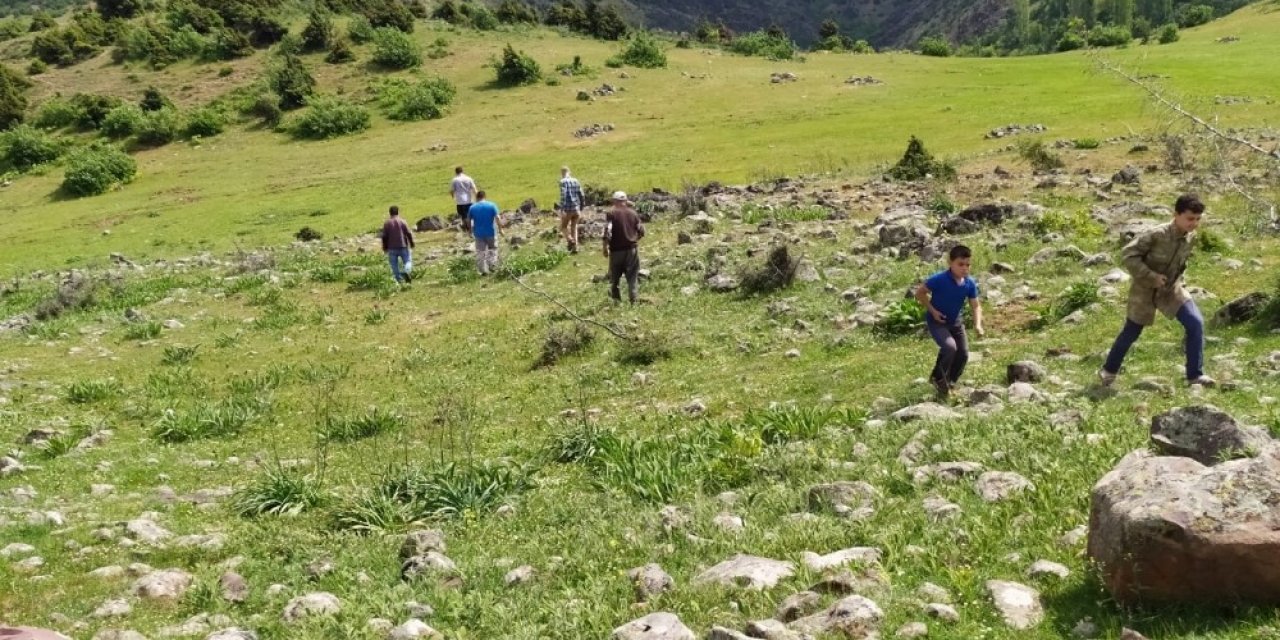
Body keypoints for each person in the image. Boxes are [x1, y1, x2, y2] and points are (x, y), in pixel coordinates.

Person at [1099, 193, 1214, 387]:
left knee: (1195, 323)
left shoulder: (1191, 238)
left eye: (1197, 219)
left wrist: (1177, 281)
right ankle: (1108, 371)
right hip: (1144, 290)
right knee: (1132, 331)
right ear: (1176, 214)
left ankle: (1195, 375)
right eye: (1189, 218)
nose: (1193, 223)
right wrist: (1151, 277)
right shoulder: (1156, 234)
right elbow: (1128, 255)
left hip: (1172, 290)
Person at [915, 245, 984, 398]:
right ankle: (938, 378)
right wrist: (933, 311)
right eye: (960, 264)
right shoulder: (939, 279)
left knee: (964, 353)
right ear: (950, 263)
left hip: (955, 322)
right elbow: (920, 293)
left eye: (968, 264)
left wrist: (978, 325)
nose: (964, 268)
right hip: (937, 321)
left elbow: (976, 306)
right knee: (950, 347)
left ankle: (950, 382)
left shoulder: (969, 283)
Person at [603, 191, 644, 305]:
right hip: (632, 250)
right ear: (625, 201)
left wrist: (605, 247)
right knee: (632, 276)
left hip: (616, 251)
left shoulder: (611, 213)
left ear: (614, 201)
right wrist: (633, 240)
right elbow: (641, 231)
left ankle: (616, 301)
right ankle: (634, 300)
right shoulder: (633, 213)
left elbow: (608, 231)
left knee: (615, 277)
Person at [468, 191, 501, 276]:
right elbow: (497, 217)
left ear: (477, 197)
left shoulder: (472, 207)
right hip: (491, 232)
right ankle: (492, 266)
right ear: (485, 197)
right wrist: (501, 229)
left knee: (480, 252)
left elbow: (469, 220)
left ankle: (483, 271)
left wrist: (470, 231)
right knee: (493, 249)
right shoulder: (491, 205)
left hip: (478, 233)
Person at [381, 205, 415, 283]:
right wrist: (411, 243)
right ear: (398, 212)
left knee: (394, 265)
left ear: (390, 213)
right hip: (403, 245)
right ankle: (406, 271)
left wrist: (384, 247)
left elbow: (384, 237)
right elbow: (408, 233)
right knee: (408, 261)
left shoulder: (387, 223)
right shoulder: (402, 221)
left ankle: (398, 279)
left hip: (391, 247)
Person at [558, 166, 585, 253]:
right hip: (576, 208)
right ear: (569, 172)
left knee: (563, 227)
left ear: (562, 173)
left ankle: (570, 240)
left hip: (568, 209)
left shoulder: (562, 182)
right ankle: (575, 247)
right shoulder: (575, 180)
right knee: (574, 226)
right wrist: (581, 207)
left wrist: (562, 208)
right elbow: (581, 194)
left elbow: (563, 195)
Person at [449, 166, 478, 232]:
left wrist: (453, 196)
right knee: (469, 215)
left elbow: (452, 190)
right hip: (469, 199)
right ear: (462, 171)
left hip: (460, 201)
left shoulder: (455, 180)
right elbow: (474, 189)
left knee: (463, 216)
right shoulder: (469, 178)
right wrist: (477, 197)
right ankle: (471, 229)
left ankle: (468, 230)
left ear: (456, 172)